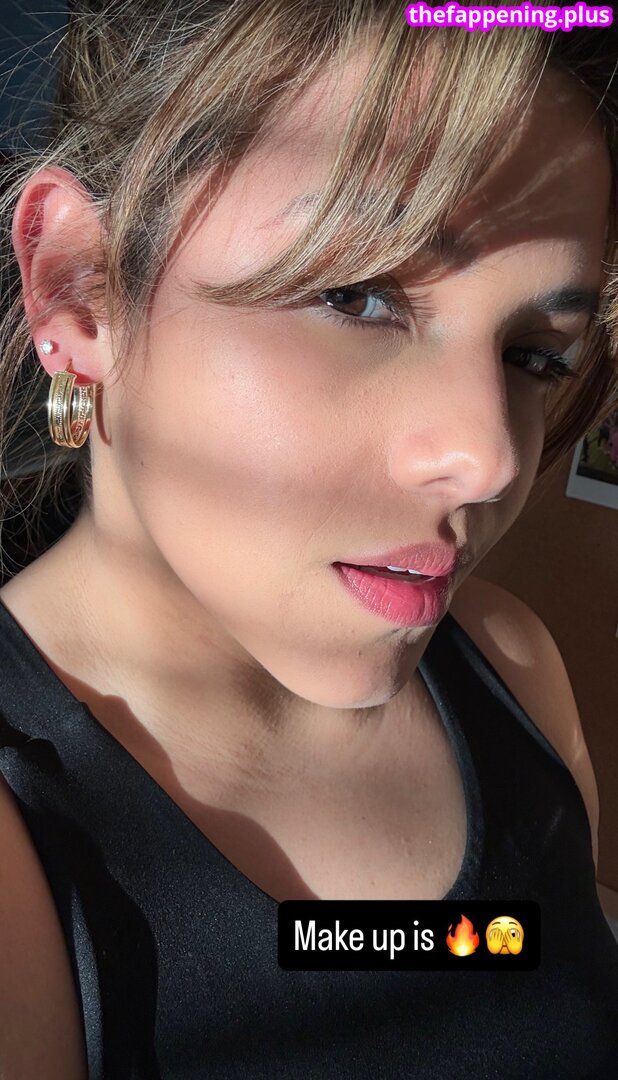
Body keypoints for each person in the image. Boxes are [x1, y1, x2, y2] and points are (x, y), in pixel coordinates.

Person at [0, 2, 617, 1077]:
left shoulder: (513, 666)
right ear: (82, 287)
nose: (489, 460)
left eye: (534, 354)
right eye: (357, 296)